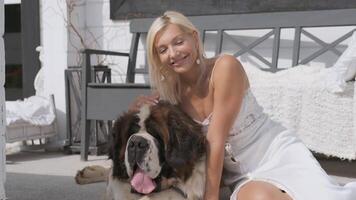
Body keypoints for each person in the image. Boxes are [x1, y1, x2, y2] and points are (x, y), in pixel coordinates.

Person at [130, 11, 356, 200]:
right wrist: (138, 107)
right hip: (240, 176)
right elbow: (145, 126)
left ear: (195, 38)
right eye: (163, 49)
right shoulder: (172, 95)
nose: (173, 53)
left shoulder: (225, 68)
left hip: (275, 154)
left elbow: (215, 141)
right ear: (157, 58)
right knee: (258, 197)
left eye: (179, 42)